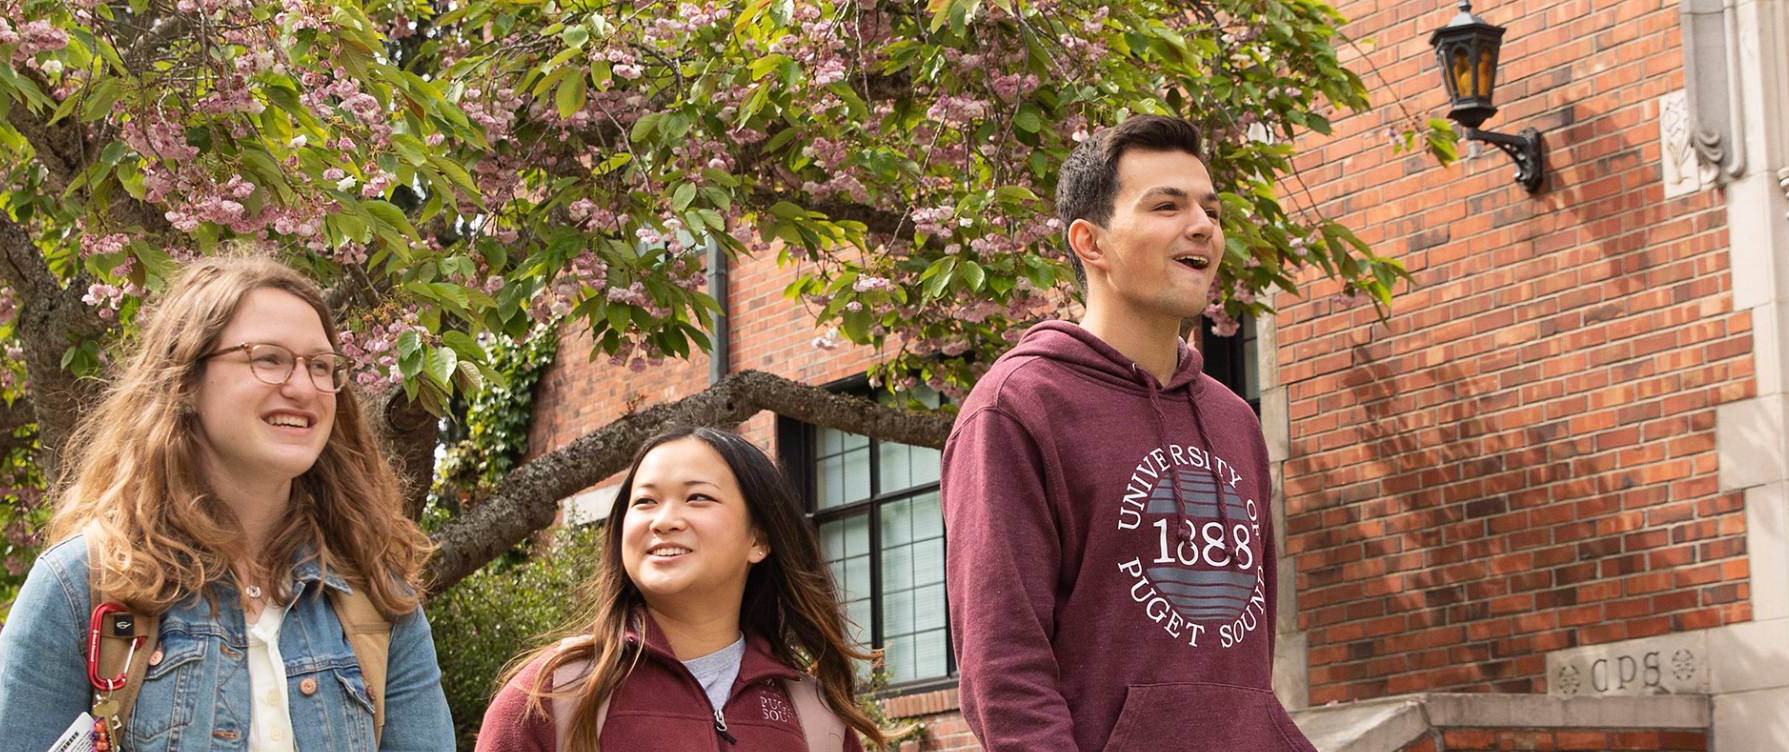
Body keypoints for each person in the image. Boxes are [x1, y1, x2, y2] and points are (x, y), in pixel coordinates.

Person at [0, 253, 453, 752]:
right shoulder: (82, 587)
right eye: (269, 358)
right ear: (186, 381)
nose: (302, 387)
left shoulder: (377, 595)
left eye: (320, 365)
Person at [943, 114, 1311, 752]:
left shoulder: (1233, 419)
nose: (1201, 225)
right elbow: (1003, 664)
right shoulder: (1019, 407)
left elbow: (1251, 647)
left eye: (1210, 209)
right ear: (1091, 243)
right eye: (1166, 205)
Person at [474, 426, 887, 752]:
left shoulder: (815, 716)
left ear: (759, 540)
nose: (664, 521)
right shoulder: (550, 695)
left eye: (697, 498)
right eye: (646, 502)